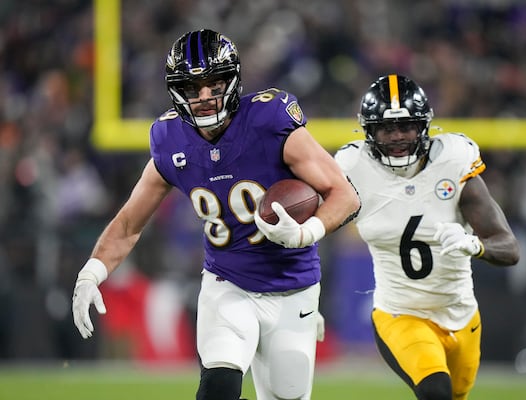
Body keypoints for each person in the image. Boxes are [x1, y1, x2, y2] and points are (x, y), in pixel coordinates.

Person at [72, 29, 360, 400]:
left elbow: (345, 195)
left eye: (214, 84)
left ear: (233, 81)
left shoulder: (269, 121)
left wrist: (306, 233)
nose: (205, 97)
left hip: (293, 286)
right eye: (192, 88)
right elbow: (129, 223)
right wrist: (92, 272)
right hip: (228, 285)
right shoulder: (170, 139)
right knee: (219, 386)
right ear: (177, 91)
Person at [334, 74, 520, 400]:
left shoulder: (453, 160)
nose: (397, 137)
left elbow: (509, 248)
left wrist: (474, 245)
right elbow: (317, 225)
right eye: (386, 128)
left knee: (456, 394)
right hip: (400, 313)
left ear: (423, 126)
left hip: (461, 314)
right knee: (436, 391)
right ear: (369, 131)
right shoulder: (352, 167)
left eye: (406, 126)